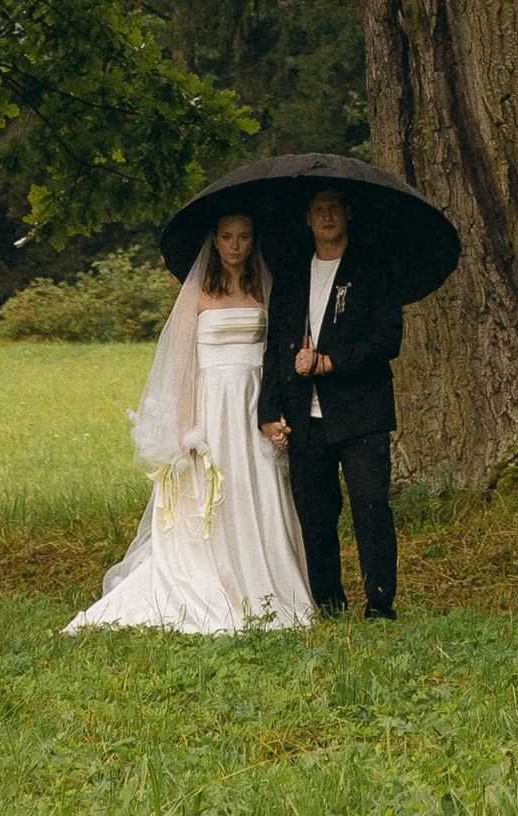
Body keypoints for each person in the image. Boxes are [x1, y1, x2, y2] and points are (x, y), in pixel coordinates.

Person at [65, 209, 313, 634]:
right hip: (212, 405)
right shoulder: (197, 293)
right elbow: (181, 365)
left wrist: (275, 411)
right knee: (216, 492)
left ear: (253, 241)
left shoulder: (264, 289)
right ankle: (213, 580)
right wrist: (186, 428)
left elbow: (276, 354)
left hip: (253, 403)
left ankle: (263, 579)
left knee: (256, 487)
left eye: (244, 237)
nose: (235, 245)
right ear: (215, 240)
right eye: (227, 236)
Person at [259, 184, 404, 620]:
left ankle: (379, 602)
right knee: (316, 514)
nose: (326, 216)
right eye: (318, 209)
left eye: (333, 208)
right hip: (306, 417)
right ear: (308, 218)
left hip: (362, 413)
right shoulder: (291, 276)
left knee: (370, 506)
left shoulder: (373, 268)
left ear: (347, 214)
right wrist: (269, 411)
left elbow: (388, 340)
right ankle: (328, 602)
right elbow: (274, 349)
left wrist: (329, 362)